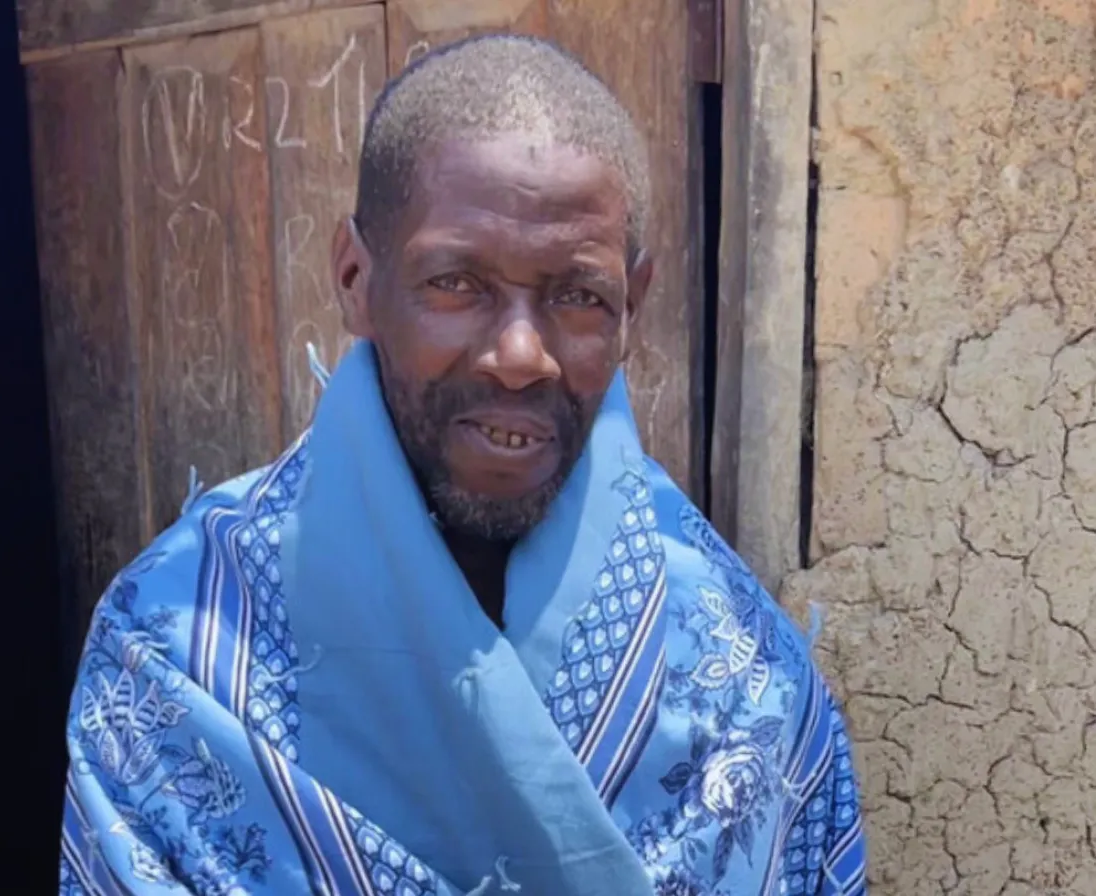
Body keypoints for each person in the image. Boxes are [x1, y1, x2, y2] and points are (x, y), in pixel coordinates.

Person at [59, 35, 866, 896]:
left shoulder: (746, 676)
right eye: (457, 283)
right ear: (355, 278)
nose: (520, 354)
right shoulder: (177, 646)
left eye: (578, 297)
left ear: (633, 306)